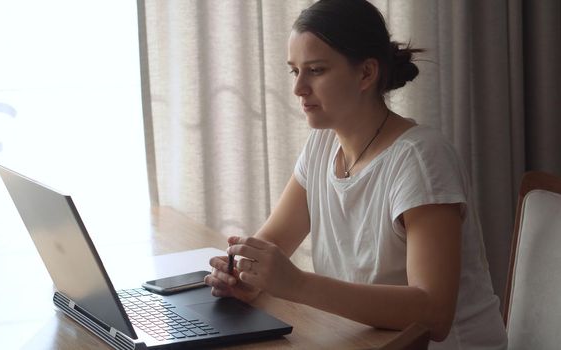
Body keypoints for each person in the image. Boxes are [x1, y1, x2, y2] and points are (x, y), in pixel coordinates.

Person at [204, 0, 507, 348]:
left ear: (366, 73)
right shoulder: (321, 146)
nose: (298, 88)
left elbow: (435, 314)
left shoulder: (421, 159)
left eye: (315, 70)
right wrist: (244, 276)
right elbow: (273, 244)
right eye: (294, 71)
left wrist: (298, 284)